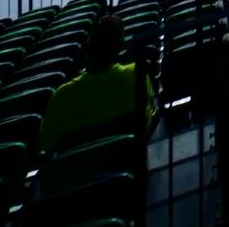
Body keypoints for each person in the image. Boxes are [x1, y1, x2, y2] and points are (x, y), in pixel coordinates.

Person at [38, 13, 154, 154]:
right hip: (126, 167)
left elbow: (45, 144)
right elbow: (147, 120)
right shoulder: (137, 74)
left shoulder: (62, 95)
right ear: (118, 48)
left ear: (87, 47)